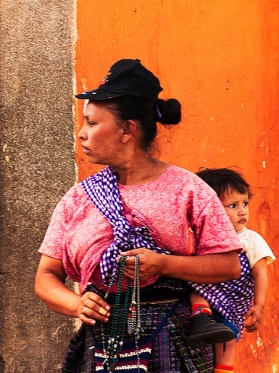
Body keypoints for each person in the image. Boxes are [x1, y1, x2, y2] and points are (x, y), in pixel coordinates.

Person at [34, 59, 244, 373]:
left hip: (172, 342)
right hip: (104, 340)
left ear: (127, 130)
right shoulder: (79, 198)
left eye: (92, 123)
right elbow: (46, 277)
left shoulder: (187, 189)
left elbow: (228, 265)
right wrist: (77, 304)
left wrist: (164, 264)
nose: (82, 134)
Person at [185, 168, 276, 373]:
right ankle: (201, 318)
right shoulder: (199, 238)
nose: (243, 211)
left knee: (227, 337)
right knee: (195, 290)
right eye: (233, 206)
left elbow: (260, 272)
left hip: (233, 304)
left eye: (245, 204)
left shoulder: (250, 239)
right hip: (204, 300)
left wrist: (259, 305)